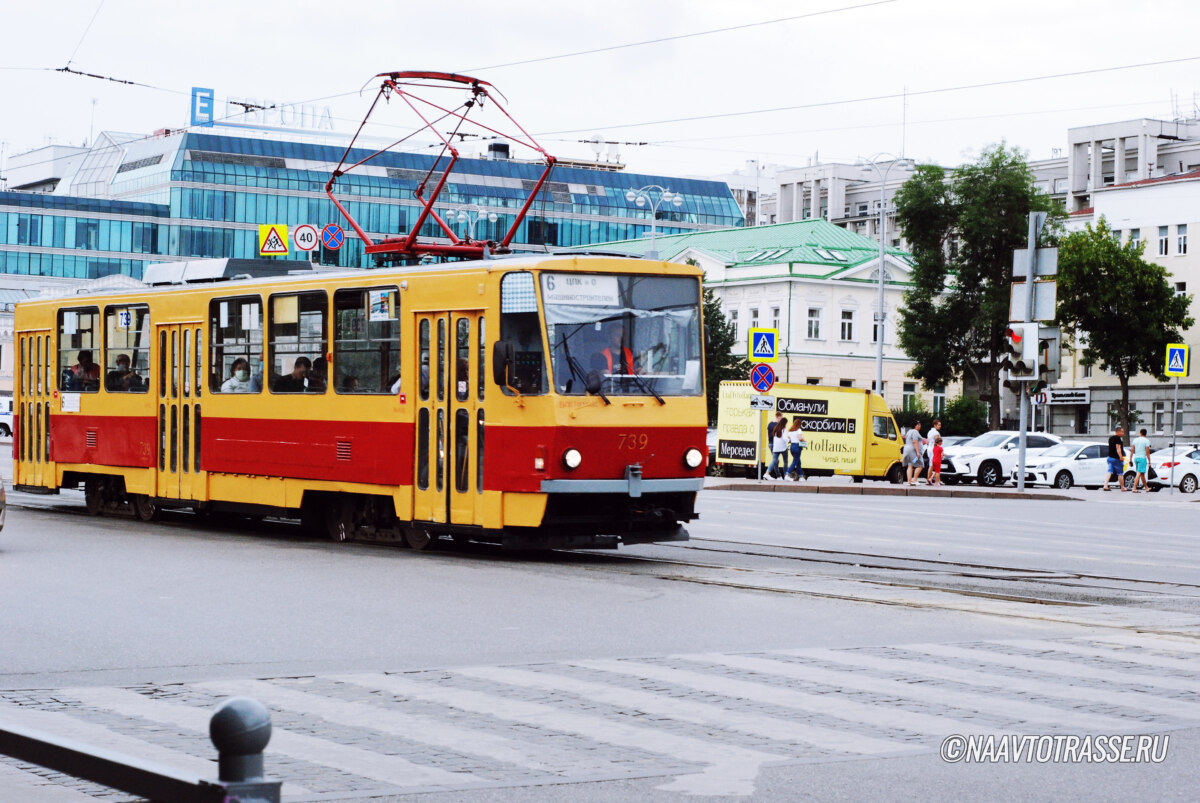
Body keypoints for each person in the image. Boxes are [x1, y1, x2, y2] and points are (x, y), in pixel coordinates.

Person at [1103, 425, 1127, 492]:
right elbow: (1118, 448)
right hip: (1116, 459)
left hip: (1110, 457)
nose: (1123, 433)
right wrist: (1121, 457)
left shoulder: (1111, 438)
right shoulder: (1118, 439)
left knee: (1109, 471)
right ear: (1118, 431)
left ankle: (1105, 485)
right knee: (1120, 473)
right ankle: (1122, 487)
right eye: (1122, 432)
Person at [765, 415, 789, 480]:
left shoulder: (775, 427)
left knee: (774, 460)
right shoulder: (783, 429)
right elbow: (784, 438)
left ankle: (767, 473)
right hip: (782, 447)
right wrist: (789, 440)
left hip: (775, 447)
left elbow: (770, 436)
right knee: (785, 462)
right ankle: (785, 476)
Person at [1131, 427, 1153, 492]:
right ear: (1145, 434)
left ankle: (1146, 488)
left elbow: (1132, 450)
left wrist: (1130, 459)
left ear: (1140, 433)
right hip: (1142, 458)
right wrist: (1149, 461)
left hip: (1136, 458)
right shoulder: (1146, 441)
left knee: (1142, 474)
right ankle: (1134, 488)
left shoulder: (1135, 440)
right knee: (1139, 473)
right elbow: (1147, 452)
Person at [903, 420, 924, 485]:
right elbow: (915, 441)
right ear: (916, 425)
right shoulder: (915, 431)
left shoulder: (909, 431)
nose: (920, 426)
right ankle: (915, 479)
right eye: (919, 425)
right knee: (920, 465)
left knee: (910, 465)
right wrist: (918, 452)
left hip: (907, 450)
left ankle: (909, 481)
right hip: (913, 451)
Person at [924, 418, 942, 484]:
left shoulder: (930, 432)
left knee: (933, 464)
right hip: (933, 449)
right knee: (932, 465)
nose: (940, 426)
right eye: (938, 425)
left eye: (940, 425)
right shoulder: (936, 433)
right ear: (935, 425)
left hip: (929, 448)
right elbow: (938, 441)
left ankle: (937, 479)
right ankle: (928, 480)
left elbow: (927, 442)